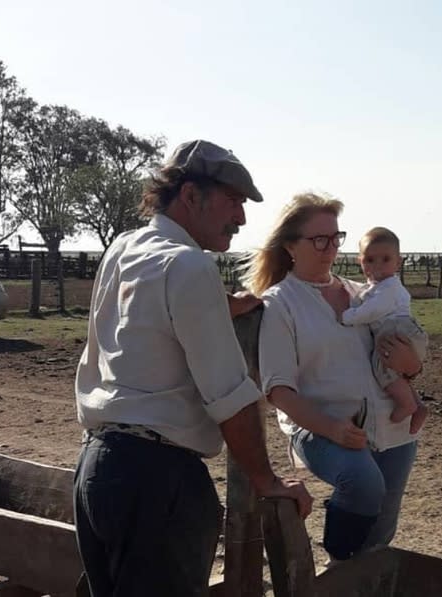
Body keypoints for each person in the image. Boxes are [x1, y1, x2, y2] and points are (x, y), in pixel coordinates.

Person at [74, 140, 313, 597]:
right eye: (233, 201)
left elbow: (152, 311)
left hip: (98, 468)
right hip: (157, 481)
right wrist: (266, 479)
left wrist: (222, 306)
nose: (241, 219)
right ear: (190, 195)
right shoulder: (189, 266)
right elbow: (227, 393)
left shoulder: (126, 248)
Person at [243, 193, 424, 565]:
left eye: (336, 238)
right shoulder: (281, 303)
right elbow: (278, 389)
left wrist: (414, 365)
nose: (330, 248)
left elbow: (400, 355)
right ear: (291, 246)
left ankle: (357, 580)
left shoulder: (362, 294)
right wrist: (332, 429)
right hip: (321, 428)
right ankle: (335, 570)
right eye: (319, 239)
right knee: (363, 485)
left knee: (380, 534)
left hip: (392, 428)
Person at [341, 227, 428, 432]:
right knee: (395, 372)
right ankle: (418, 405)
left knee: (384, 367)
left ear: (398, 262)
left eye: (385, 259)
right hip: (402, 330)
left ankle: (407, 404)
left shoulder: (388, 288)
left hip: (395, 330)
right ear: (359, 261)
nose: (377, 265)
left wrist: (348, 317)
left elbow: (373, 310)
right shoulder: (376, 287)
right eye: (370, 260)